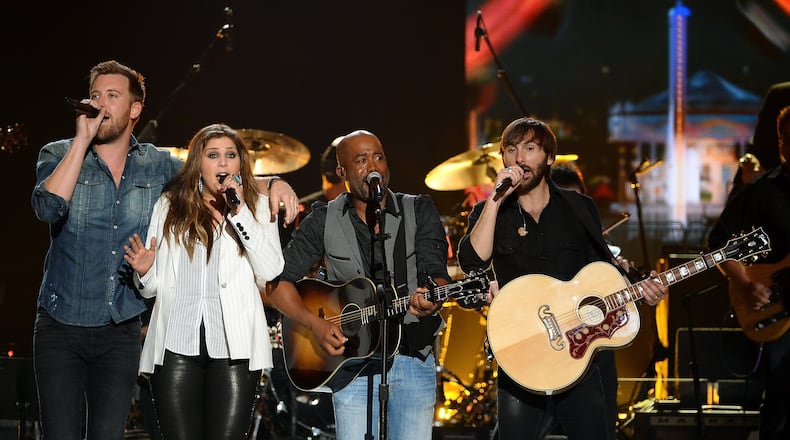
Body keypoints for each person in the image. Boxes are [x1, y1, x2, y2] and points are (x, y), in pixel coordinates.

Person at [30, 59, 298, 440]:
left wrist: (272, 182)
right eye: (94, 96)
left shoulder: (156, 166)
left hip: (120, 326)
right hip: (61, 322)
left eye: (111, 95)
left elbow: (209, 170)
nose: (99, 103)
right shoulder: (58, 154)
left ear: (135, 109)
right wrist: (81, 139)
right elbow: (47, 208)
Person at [456, 117, 667, 440]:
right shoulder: (492, 211)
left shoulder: (579, 208)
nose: (519, 159)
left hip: (577, 356)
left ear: (549, 158)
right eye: (511, 150)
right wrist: (496, 200)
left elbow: (603, 270)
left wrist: (642, 292)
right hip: (522, 354)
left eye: (529, 148)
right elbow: (473, 260)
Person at [264, 129, 452, 440]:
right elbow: (277, 284)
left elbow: (437, 273)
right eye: (362, 160)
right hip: (351, 368)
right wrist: (315, 324)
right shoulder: (323, 218)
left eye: (379, 157)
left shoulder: (418, 209)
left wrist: (433, 295)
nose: (373, 166)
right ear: (342, 172)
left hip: (412, 357)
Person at [124, 123, 285, 439]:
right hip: (175, 344)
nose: (223, 163)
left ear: (240, 164)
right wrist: (143, 271)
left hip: (235, 350)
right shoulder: (170, 206)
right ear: (199, 164)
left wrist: (239, 213)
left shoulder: (259, 206)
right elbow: (152, 286)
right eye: (213, 155)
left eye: (230, 155)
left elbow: (270, 271)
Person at [707, 105, 790, 440]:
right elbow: (718, 242)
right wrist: (743, 283)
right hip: (779, 311)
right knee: (782, 405)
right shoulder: (760, 191)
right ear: (782, 142)